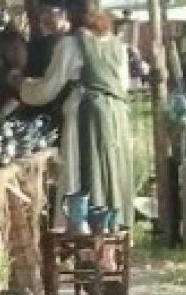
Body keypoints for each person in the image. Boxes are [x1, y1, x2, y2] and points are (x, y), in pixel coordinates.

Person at [21, 0, 135, 230]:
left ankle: (85, 237)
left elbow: (48, 89)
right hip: (117, 116)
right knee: (113, 171)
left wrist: (21, 86)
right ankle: (113, 231)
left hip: (88, 117)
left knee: (84, 174)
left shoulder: (70, 45)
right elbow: (122, 85)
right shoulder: (117, 45)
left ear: (72, 13)